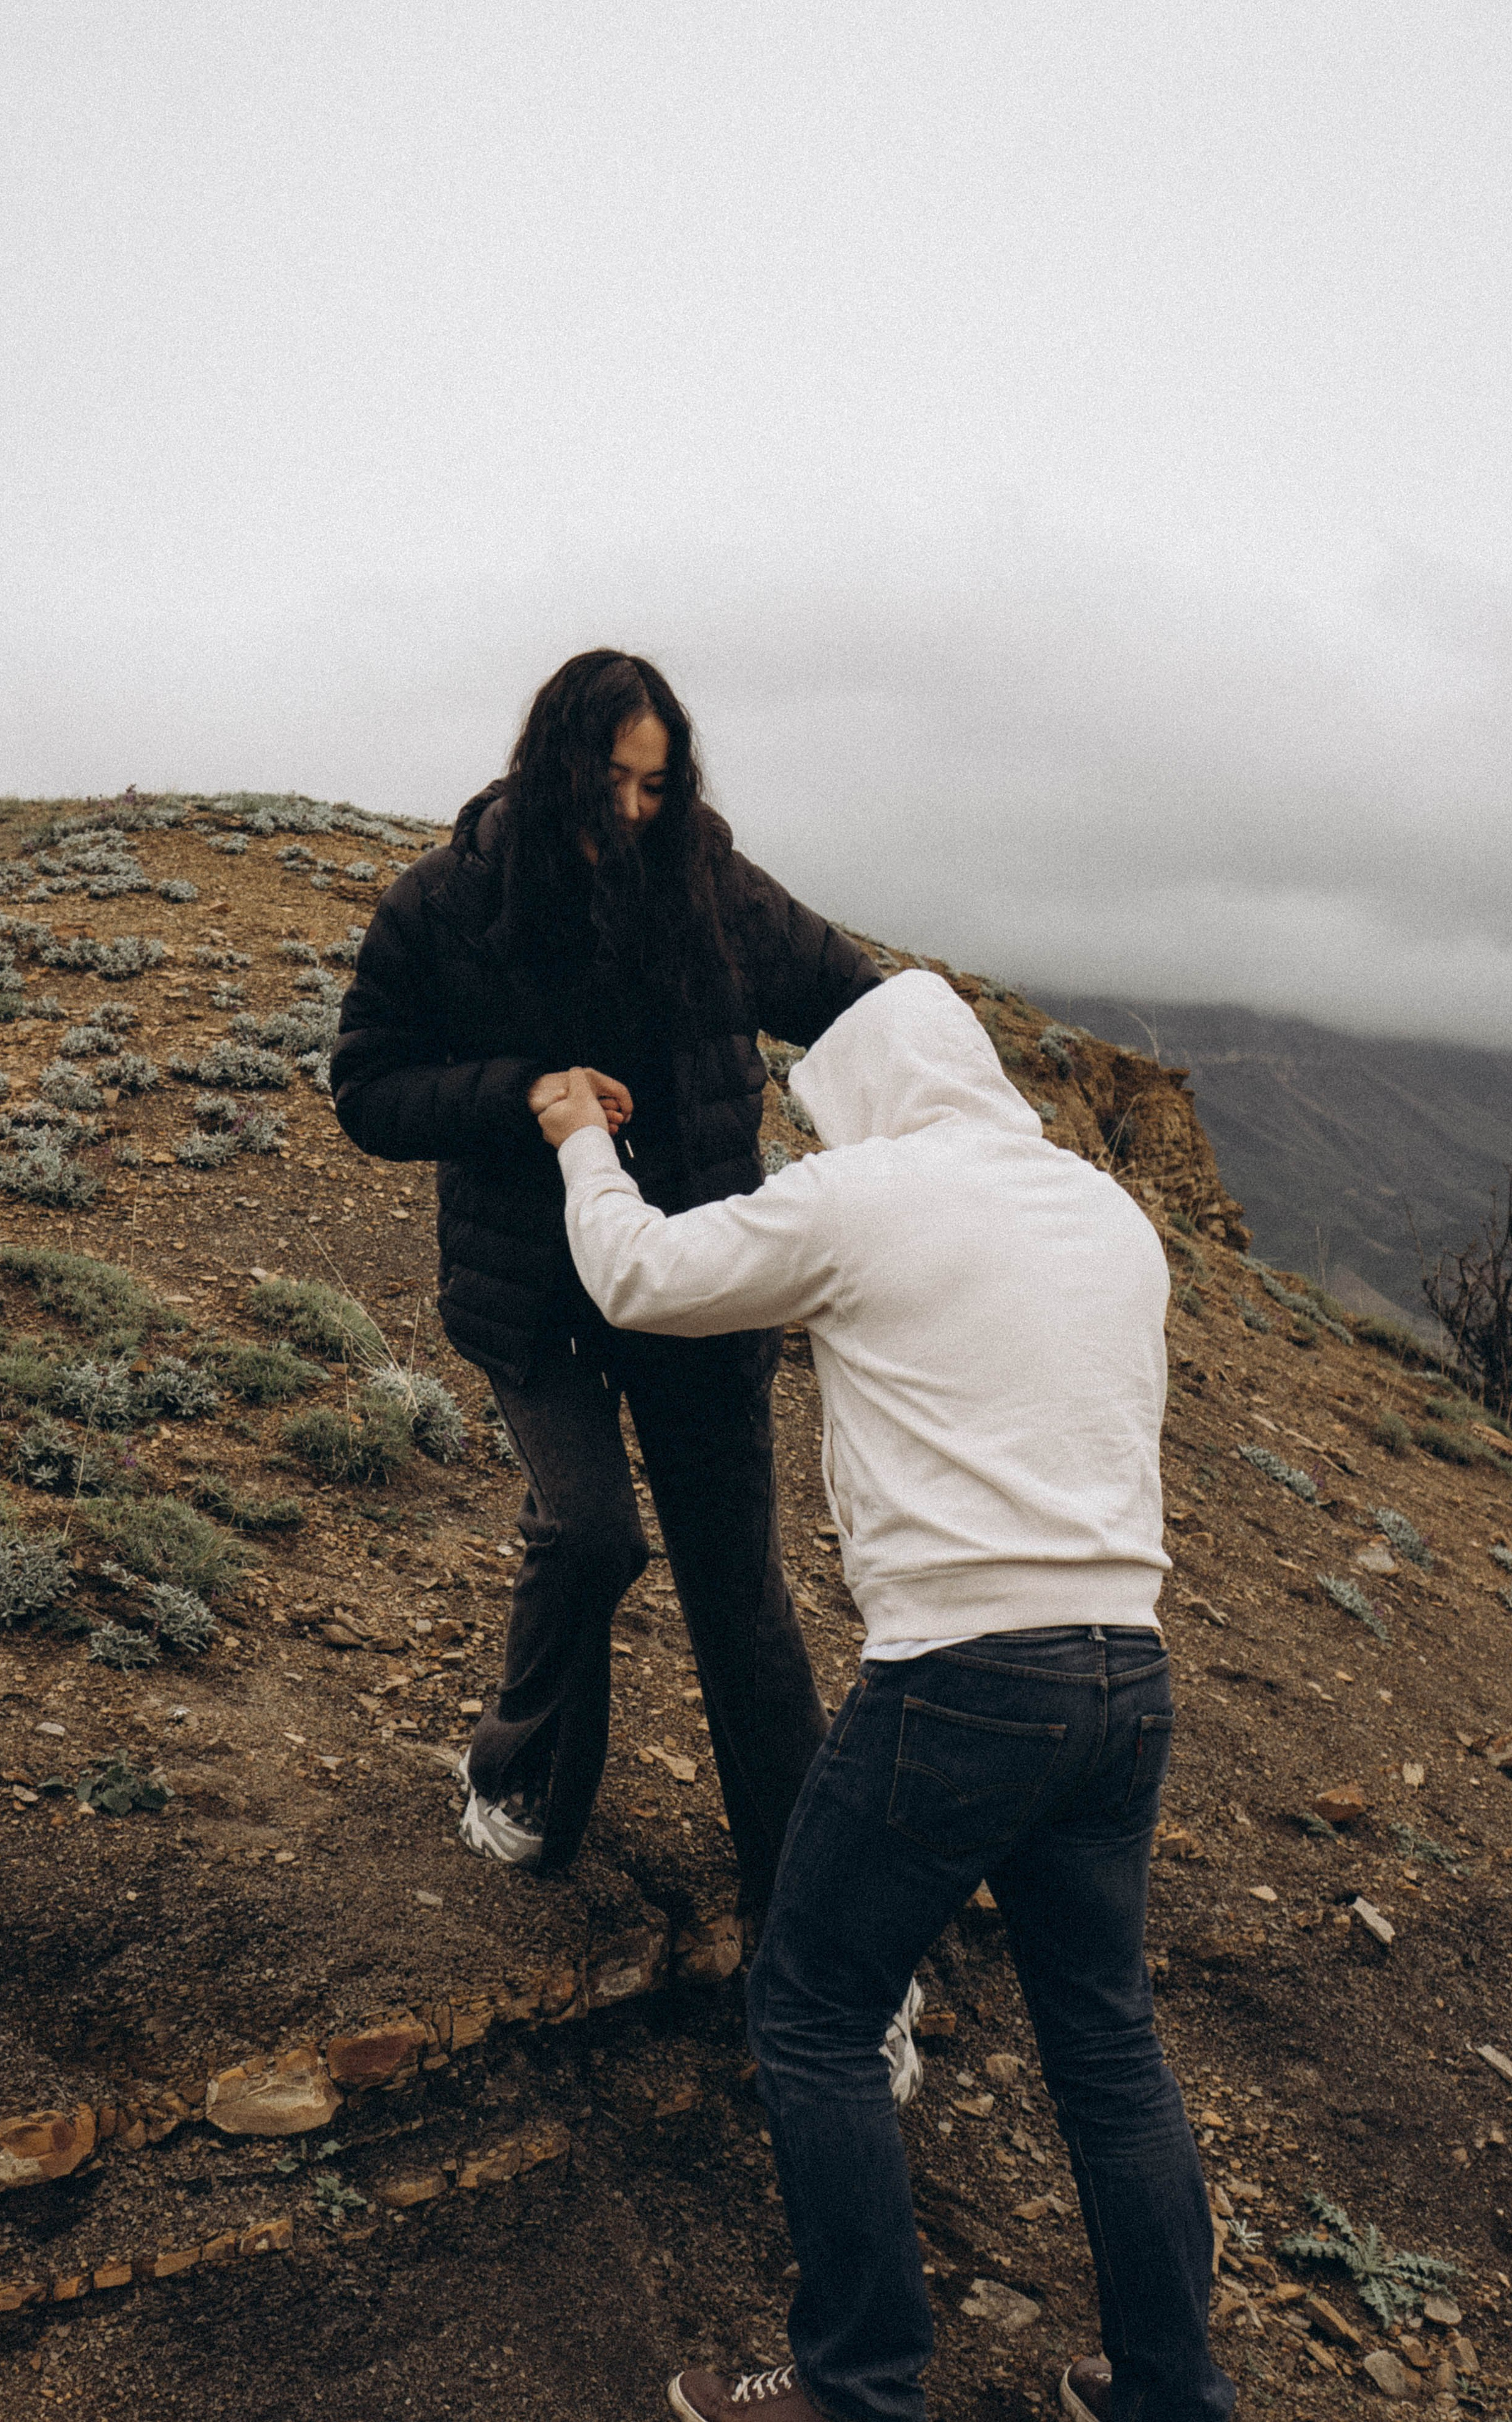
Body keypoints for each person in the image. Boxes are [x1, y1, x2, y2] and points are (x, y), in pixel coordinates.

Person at [534, 972, 1235, 2422]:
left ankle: (855, 2383)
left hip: (964, 1678)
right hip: (1126, 1672)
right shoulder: (1108, 1217)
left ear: (851, 1097)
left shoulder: (862, 1196)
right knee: (1104, 2036)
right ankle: (1169, 2390)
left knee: (811, 2008)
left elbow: (640, 1279)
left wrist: (571, 1136)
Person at [329, 648, 880, 1916]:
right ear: (549, 770)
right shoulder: (444, 905)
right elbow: (366, 1088)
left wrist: (954, 1135)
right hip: (535, 1294)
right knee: (588, 1536)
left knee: (737, 1596)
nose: (632, 815)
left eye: (655, 787)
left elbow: (854, 1002)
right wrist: (520, 1091)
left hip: (700, 1292)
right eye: (610, 786)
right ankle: (519, 1783)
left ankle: (796, 1914)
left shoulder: (713, 886)